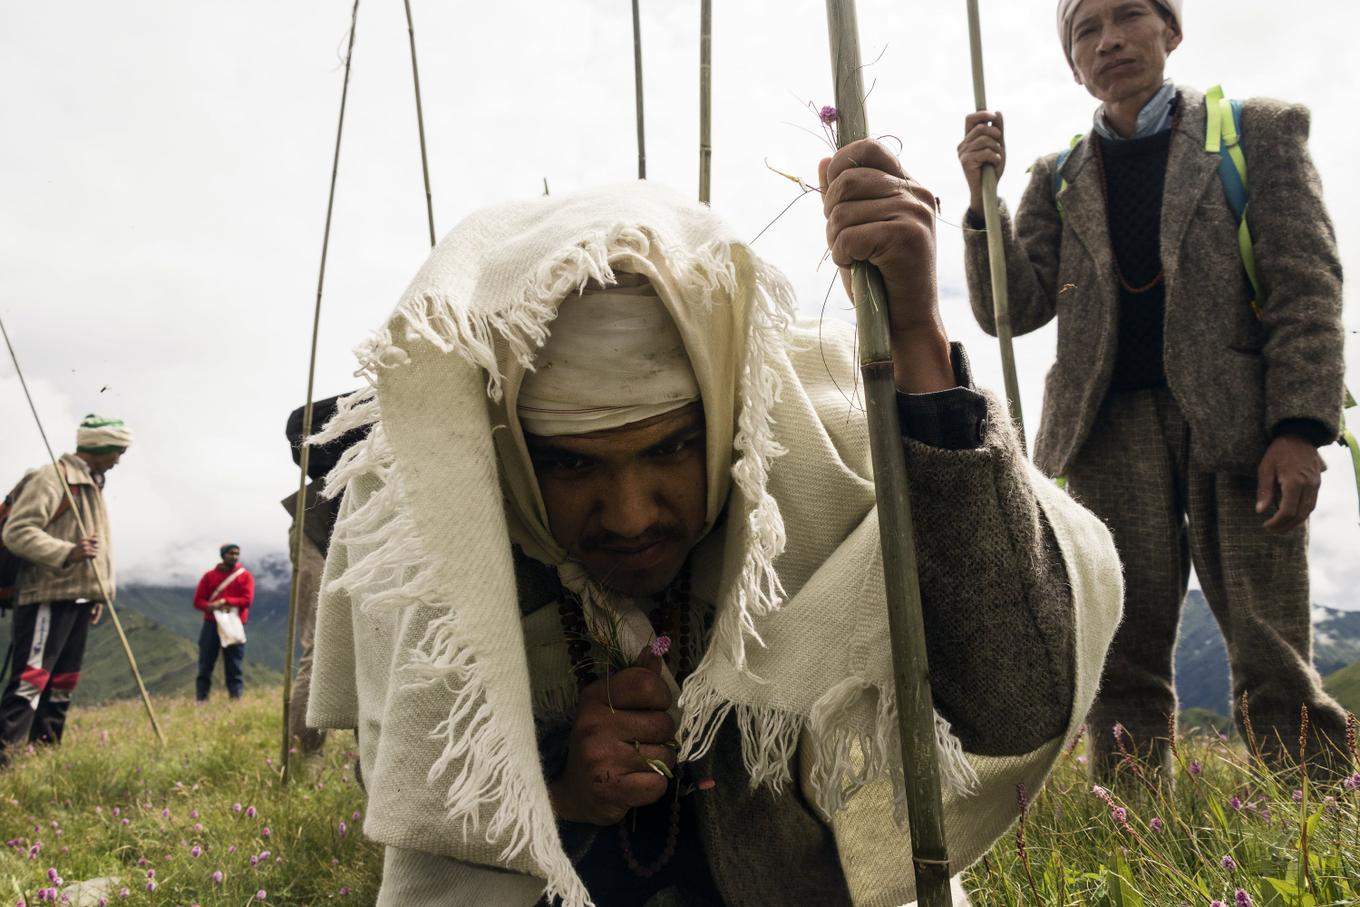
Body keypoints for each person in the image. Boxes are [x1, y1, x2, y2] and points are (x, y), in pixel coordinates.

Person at [306, 145, 1123, 906]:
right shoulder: (438, 527)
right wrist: (557, 791)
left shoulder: (813, 448)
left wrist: (915, 333)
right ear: (515, 454)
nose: (630, 515)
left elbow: (1015, 697)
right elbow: (417, 798)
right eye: (573, 465)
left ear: (726, 420)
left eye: (671, 448)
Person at [957, 0, 1348, 782]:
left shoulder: (1256, 134)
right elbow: (1011, 307)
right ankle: (1137, 835)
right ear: (1073, 65)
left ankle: (1323, 825)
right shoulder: (1058, 176)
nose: (1108, 41)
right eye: (1085, 32)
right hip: (1106, 435)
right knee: (1122, 654)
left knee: (1271, 650)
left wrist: (1300, 427)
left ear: (1170, 30)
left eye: (1127, 16)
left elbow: (1308, 285)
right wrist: (982, 199)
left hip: (1241, 430)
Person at [0, 414, 132, 768]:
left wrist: (98, 594)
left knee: (62, 683)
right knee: (31, 679)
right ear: (98, 447)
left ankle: (43, 757)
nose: (120, 458)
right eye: (117, 450)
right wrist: (67, 552)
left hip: (77, 595)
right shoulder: (52, 478)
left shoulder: (92, 482)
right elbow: (17, 532)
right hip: (47, 594)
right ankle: (5, 761)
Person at [280, 395, 366, 762]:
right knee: (320, 644)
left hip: (340, 520)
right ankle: (302, 754)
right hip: (318, 528)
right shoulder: (373, 403)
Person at [192, 544, 254, 701]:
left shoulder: (245, 576)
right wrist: (210, 606)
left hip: (234, 624)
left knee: (234, 664)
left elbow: (247, 600)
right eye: (231, 553)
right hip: (212, 623)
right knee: (205, 663)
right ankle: (201, 699)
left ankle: (236, 698)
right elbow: (198, 601)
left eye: (237, 554)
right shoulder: (209, 577)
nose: (234, 557)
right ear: (223, 555)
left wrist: (226, 601)